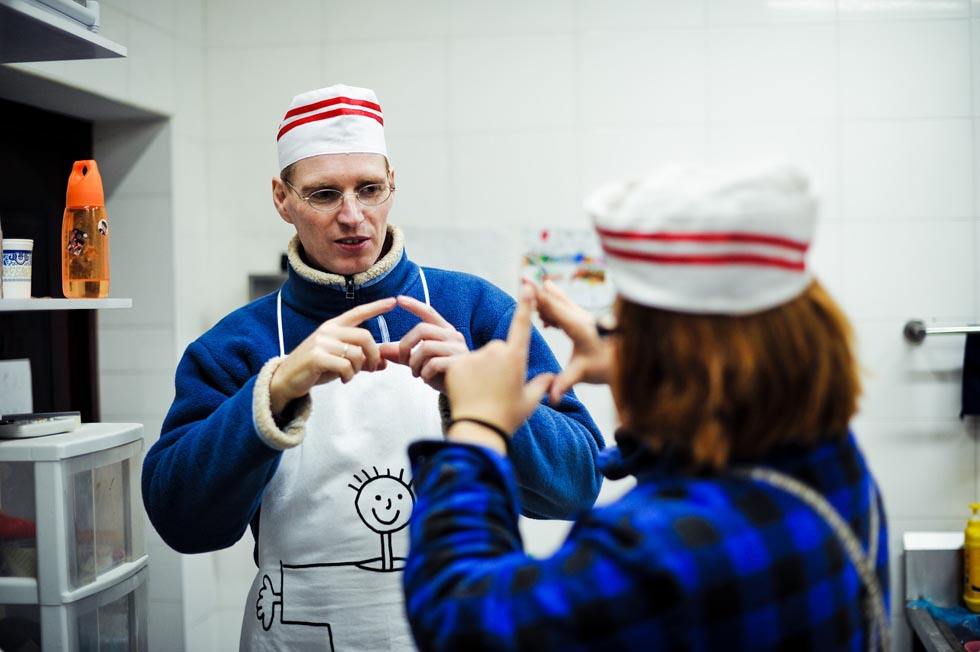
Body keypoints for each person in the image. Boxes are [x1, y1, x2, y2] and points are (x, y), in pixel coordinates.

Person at [141, 84, 604, 651]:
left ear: (393, 183)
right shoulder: (237, 344)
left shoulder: (477, 311)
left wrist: (484, 403)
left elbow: (578, 487)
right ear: (282, 199)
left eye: (369, 189)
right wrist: (273, 393)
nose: (352, 217)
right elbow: (182, 524)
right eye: (323, 194)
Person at [403, 162, 890, 651]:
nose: (615, 343)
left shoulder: (655, 550)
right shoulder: (829, 458)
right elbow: (695, 457)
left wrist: (477, 425)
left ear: (669, 359)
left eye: (621, 327)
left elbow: (458, 616)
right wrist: (633, 367)